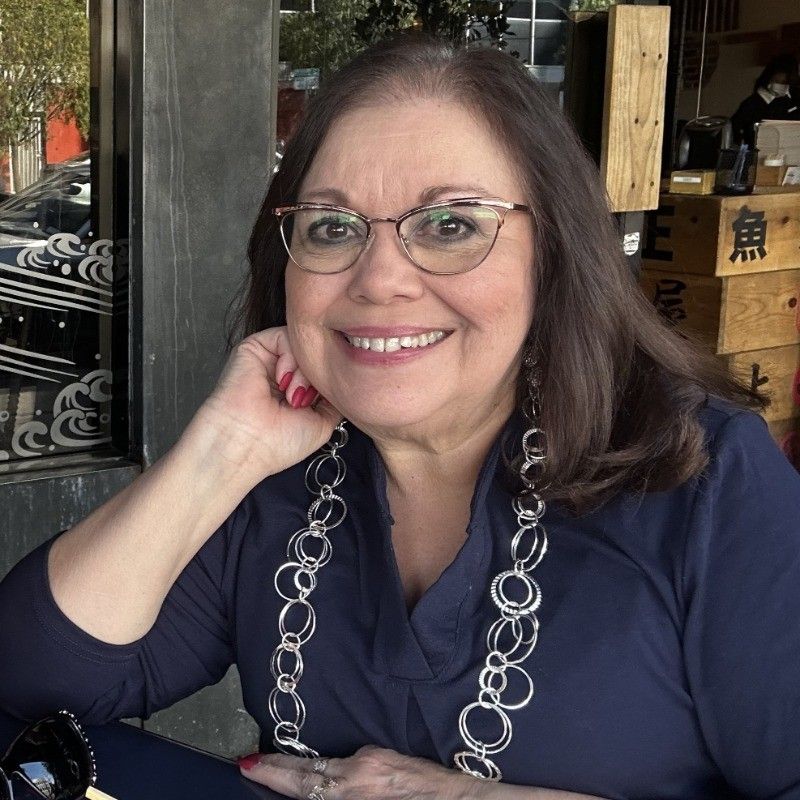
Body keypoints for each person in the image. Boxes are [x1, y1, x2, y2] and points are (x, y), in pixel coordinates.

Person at [1, 33, 800, 800]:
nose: (380, 278)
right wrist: (223, 449)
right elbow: (32, 681)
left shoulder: (706, 479)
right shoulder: (279, 485)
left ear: (553, 255)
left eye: (451, 225)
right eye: (331, 227)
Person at [730, 53, 800, 147]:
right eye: (778, 81)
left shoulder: (794, 97)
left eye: (785, 82)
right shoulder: (752, 104)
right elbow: (735, 130)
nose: (783, 85)